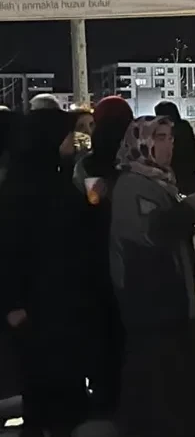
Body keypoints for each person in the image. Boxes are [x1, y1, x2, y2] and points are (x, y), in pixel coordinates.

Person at [109, 116, 195, 437]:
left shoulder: (158, 180)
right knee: (158, 385)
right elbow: (149, 233)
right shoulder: (131, 185)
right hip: (151, 303)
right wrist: (190, 208)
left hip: (170, 300)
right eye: (161, 137)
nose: (169, 144)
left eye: (170, 137)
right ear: (142, 143)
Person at [0, 108, 92, 437]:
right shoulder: (23, 190)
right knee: (44, 395)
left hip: (59, 307)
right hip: (35, 310)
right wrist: (12, 306)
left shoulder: (51, 180)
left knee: (62, 393)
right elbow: (9, 250)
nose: (73, 141)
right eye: (68, 135)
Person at [72, 95, 136, 419]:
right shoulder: (137, 162)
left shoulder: (88, 164)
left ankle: (107, 401)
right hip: (134, 262)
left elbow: (90, 203)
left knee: (104, 336)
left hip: (96, 262)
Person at [155, 100, 195, 195]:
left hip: (171, 169)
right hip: (188, 169)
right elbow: (193, 147)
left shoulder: (161, 129)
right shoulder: (184, 126)